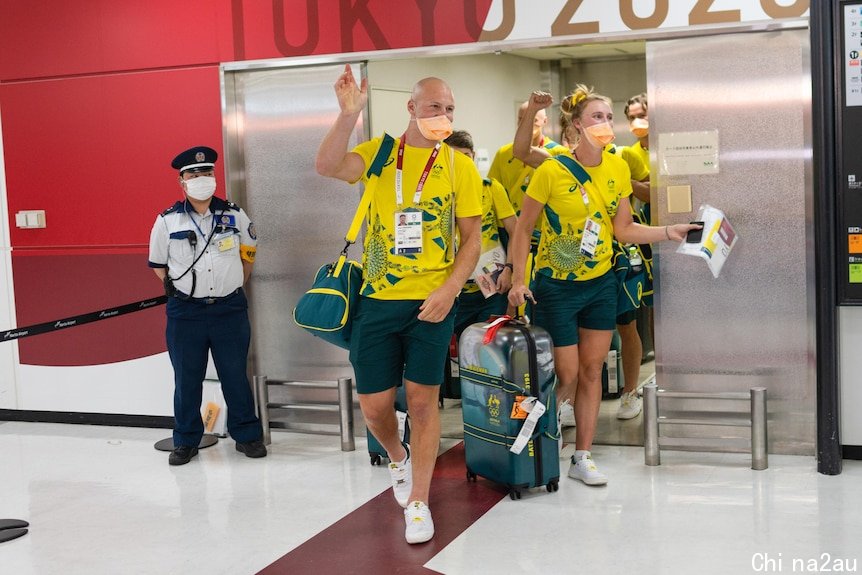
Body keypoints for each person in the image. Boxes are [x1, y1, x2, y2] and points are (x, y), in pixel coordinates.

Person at [315, 66, 482, 544]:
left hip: (432, 300)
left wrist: (449, 289)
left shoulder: (459, 166)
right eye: (434, 107)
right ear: (411, 108)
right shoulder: (381, 154)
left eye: (449, 109)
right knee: (374, 408)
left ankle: (419, 503)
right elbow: (328, 165)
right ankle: (397, 457)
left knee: (425, 402)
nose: (443, 116)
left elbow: (471, 238)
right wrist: (348, 116)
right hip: (377, 298)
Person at [508, 88, 699, 486]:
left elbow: (623, 228)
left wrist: (669, 231)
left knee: (593, 369)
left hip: (600, 283)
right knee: (568, 372)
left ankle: (583, 455)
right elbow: (524, 229)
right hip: (556, 286)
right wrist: (518, 279)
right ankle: (544, 434)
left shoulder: (616, 169)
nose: (606, 125)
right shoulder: (552, 169)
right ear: (577, 125)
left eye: (608, 117)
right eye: (596, 117)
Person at [148, 146, 266, 466]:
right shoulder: (167, 221)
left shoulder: (234, 214)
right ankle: (186, 440)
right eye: (194, 174)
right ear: (182, 181)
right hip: (186, 313)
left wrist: (235, 284)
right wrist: (179, 290)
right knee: (187, 380)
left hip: (229, 310)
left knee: (234, 376)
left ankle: (247, 434)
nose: (202, 178)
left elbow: (249, 252)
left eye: (207, 172)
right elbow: (159, 265)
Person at [444, 130, 517, 333]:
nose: (462, 164)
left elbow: (516, 232)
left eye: (466, 157)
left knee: (489, 350)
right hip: (453, 289)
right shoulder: (439, 195)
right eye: (455, 158)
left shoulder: (490, 188)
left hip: (493, 287)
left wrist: (509, 270)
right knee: (451, 352)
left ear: (473, 156)